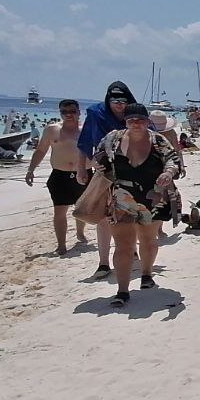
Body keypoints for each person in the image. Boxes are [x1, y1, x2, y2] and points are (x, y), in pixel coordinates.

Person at [87, 103, 180, 307]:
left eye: (140, 120)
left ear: (147, 121)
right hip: (120, 198)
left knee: (148, 240)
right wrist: (97, 164)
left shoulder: (158, 140)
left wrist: (168, 173)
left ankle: (146, 274)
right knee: (123, 245)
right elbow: (97, 157)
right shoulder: (113, 138)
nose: (136, 123)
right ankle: (122, 290)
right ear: (125, 121)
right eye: (131, 120)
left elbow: (173, 160)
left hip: (152, 197)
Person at [75, 81, 137, 279]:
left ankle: (131, 250)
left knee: (131, 215)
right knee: (102, 218)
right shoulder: (96, 114)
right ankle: (103, 262)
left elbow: (150, 139)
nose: (119, 104)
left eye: (123, 100)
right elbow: (84, 142)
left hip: (131, 172)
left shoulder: (135, 114)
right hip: (103, 171)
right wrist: (82, 168)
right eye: (115, 100)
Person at [25, 99, 90, 255]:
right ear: (60, 113)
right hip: (60, 175)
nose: (69, 115)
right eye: (64, 112)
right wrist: (31, 170)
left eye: (72, 111)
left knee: (81, 208)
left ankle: (80, 232)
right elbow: (41, 150)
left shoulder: (86, 130)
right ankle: (61, 244)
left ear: (79, 112)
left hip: (84, 173)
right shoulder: (52, 130)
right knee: (59, 211)